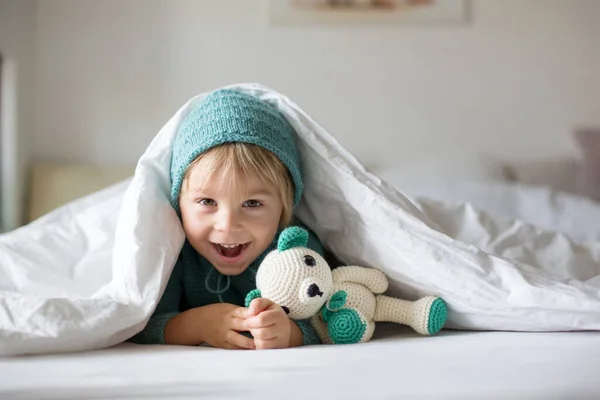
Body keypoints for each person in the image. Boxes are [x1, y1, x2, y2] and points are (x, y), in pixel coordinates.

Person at [128, 88, 324, 350]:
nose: (228, 225)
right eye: (207, 202)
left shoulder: (297, 249)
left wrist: (289, 333)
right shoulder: (173, 251)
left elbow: (329, 321)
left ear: (284, 206)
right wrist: (199, 324)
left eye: (252, 203)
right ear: (180, 204)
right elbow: (137, 324)